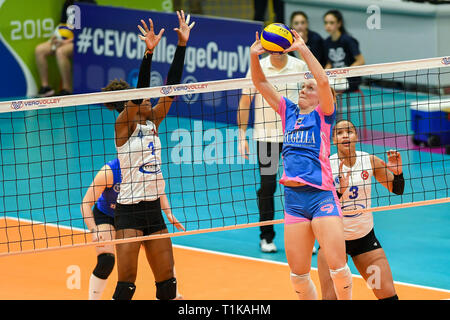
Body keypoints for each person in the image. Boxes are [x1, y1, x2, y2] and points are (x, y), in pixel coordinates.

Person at [249, 29, 352, 300]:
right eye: (302, 87)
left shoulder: (323, 115)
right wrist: (253, 56)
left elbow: (322, 79)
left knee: (338, 269)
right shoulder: (288, 112)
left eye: (309, 88)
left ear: (321, 96)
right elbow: (260, 83)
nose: (304, 90)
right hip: (293, 200)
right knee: (298, 277)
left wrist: (302, 48)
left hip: (321, 196)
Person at [101, 11, 194, 300]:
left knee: (168, 284)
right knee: (126, 283)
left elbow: (172, 89)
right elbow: (142, 92)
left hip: (153, 210)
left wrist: (181, 46)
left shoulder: (152, 122)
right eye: (142, 99)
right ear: (127, 105)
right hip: (128, 212)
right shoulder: (123, 127)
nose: (150, 100)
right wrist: (148, 52)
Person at [317, 119, 404, 300]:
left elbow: (397, 189)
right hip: (333, 241)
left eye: (349, 131)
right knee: (330, 298)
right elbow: (320, 207)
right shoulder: (326, 166)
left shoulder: (369, 161)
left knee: (387, 295)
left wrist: (398, 173)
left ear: (356, 136)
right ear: (334, 140)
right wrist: (340, 191)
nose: (345, 135)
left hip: (364, 239)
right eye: (339, 133)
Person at [81, 157, 185, 300]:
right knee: (106, 261)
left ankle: (174, 294)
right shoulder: (109, 171)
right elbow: (86, 203)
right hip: (108, 216)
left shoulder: (144, 166)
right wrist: (94, 229)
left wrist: (168, 213)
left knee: (161, 254)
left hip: (132, 217)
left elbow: (158, 191)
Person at [238, 50, 308, 253]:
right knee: (267, 186)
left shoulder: (298, 65)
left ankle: (305, 237)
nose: (277, 51)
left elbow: (311, 97)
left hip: (295, 137)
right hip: (266, 138)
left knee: (302, 186)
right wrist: (242, 134)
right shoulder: (258, 66)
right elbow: (245, 100)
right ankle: (266, 236)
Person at [35, 0, 97, 97]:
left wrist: (67, 42)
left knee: (61, 52)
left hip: (82, 40)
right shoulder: (68, 3)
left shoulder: (90, 3)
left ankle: (66, 89)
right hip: (65, 39)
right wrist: (55, 36)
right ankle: (45, 87)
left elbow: (89, 29)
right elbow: (62, 25)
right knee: (39, 50)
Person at [323, 10, 365, 94]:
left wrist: (343, 73)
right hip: (335, 78)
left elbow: (361, 61)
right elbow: (330, 62)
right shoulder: (327, 42)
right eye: (326, 23)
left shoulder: (348, 40)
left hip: (351, 79)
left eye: (331, 23)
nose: (328, 25)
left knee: (328, 90)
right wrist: (324, 74)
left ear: (339, 23)